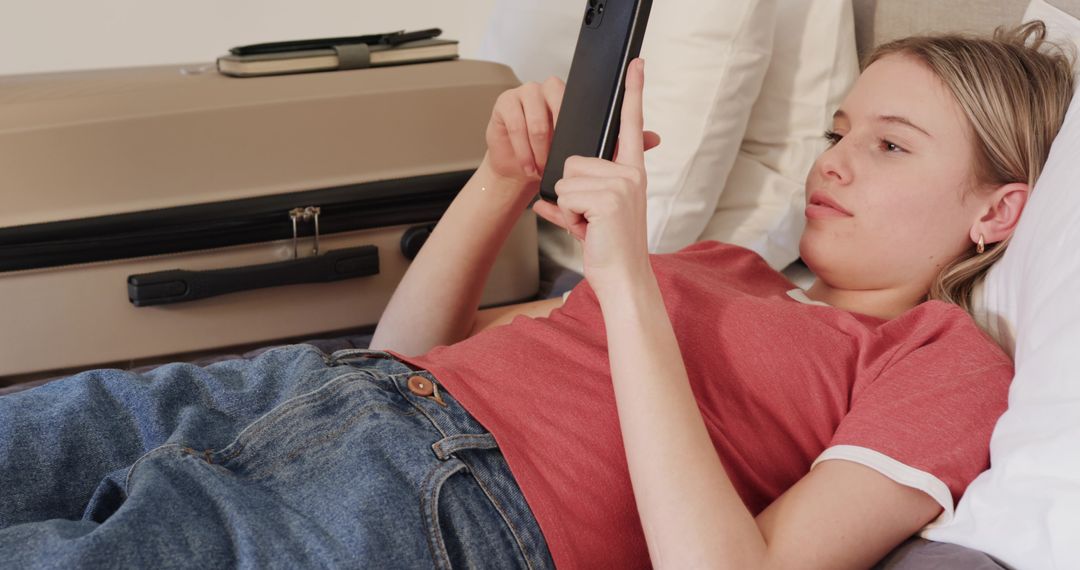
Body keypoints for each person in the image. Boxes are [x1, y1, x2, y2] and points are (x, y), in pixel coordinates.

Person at [0, 22, 1073, 569]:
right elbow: (411, 354)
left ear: (999, 210)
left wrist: (624, 283)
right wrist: (501, 181)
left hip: (440, 502)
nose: (835, 161)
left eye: (890, 145)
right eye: (838, 131)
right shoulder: (730, 266)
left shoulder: (944, 363)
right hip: (303, 396)